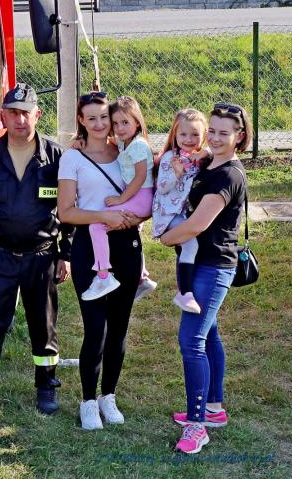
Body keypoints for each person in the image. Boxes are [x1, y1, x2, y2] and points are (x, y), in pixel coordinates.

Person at [0, 83, 72, 416]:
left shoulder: (56, 158)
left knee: (44, 323)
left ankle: (46, 385)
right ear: (3, 116)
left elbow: (70, 208)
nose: (20, 120)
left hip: (42, 254)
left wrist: (65, 254)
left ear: (38, 114)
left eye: (26, 113)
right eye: (13, 113)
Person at [161, 103, 250, 455]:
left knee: (191, 340)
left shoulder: (228, 175)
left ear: (239, 137)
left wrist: (166, 238)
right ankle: (213, 408)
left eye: (223, 133)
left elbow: (197, 224)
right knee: (209, 333)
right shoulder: (209, 163)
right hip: (199, 263)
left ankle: (197, 425)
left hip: (214, 267)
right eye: (211, 130)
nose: (214, 137)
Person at [58, 91, 144, 431]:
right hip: (90, 247)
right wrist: (103, 216)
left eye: (104, 117)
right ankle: (88, 400)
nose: (98, 124)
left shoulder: (126, 150)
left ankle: (109, 395)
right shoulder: (73, 157)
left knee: (119, 327)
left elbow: (147, 191)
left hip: (127, 245)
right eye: (90, 118)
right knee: (96, 328)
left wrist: (138, 217)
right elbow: (66, 212)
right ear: (81, 120)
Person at [81, 96, 154, 301]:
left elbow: (140, 177)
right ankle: (141, 277)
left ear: (137, 122)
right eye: (115, 123)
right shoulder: (125, 142)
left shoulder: (138, 145)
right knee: (130, 230)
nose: (119, 128)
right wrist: (82, 140)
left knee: (97, 226)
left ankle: (103, 276)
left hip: (140, 196)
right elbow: (110, 141)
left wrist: (121, 199)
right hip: (137, 195)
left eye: (125, 122)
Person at [153, 109, 209, 313]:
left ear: (204, 135)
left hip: (186, 212)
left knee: (188, 247)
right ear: (175, 135)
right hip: (170, 213)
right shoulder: (170, 158)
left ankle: (190, 283)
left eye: (195, 134)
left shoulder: (199, 156)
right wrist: (176, 174)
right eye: (183, 134)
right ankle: (184, 293)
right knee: (190, 244)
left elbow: (215, 153)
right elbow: (161, 188)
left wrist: (206, 152)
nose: (188, 139)